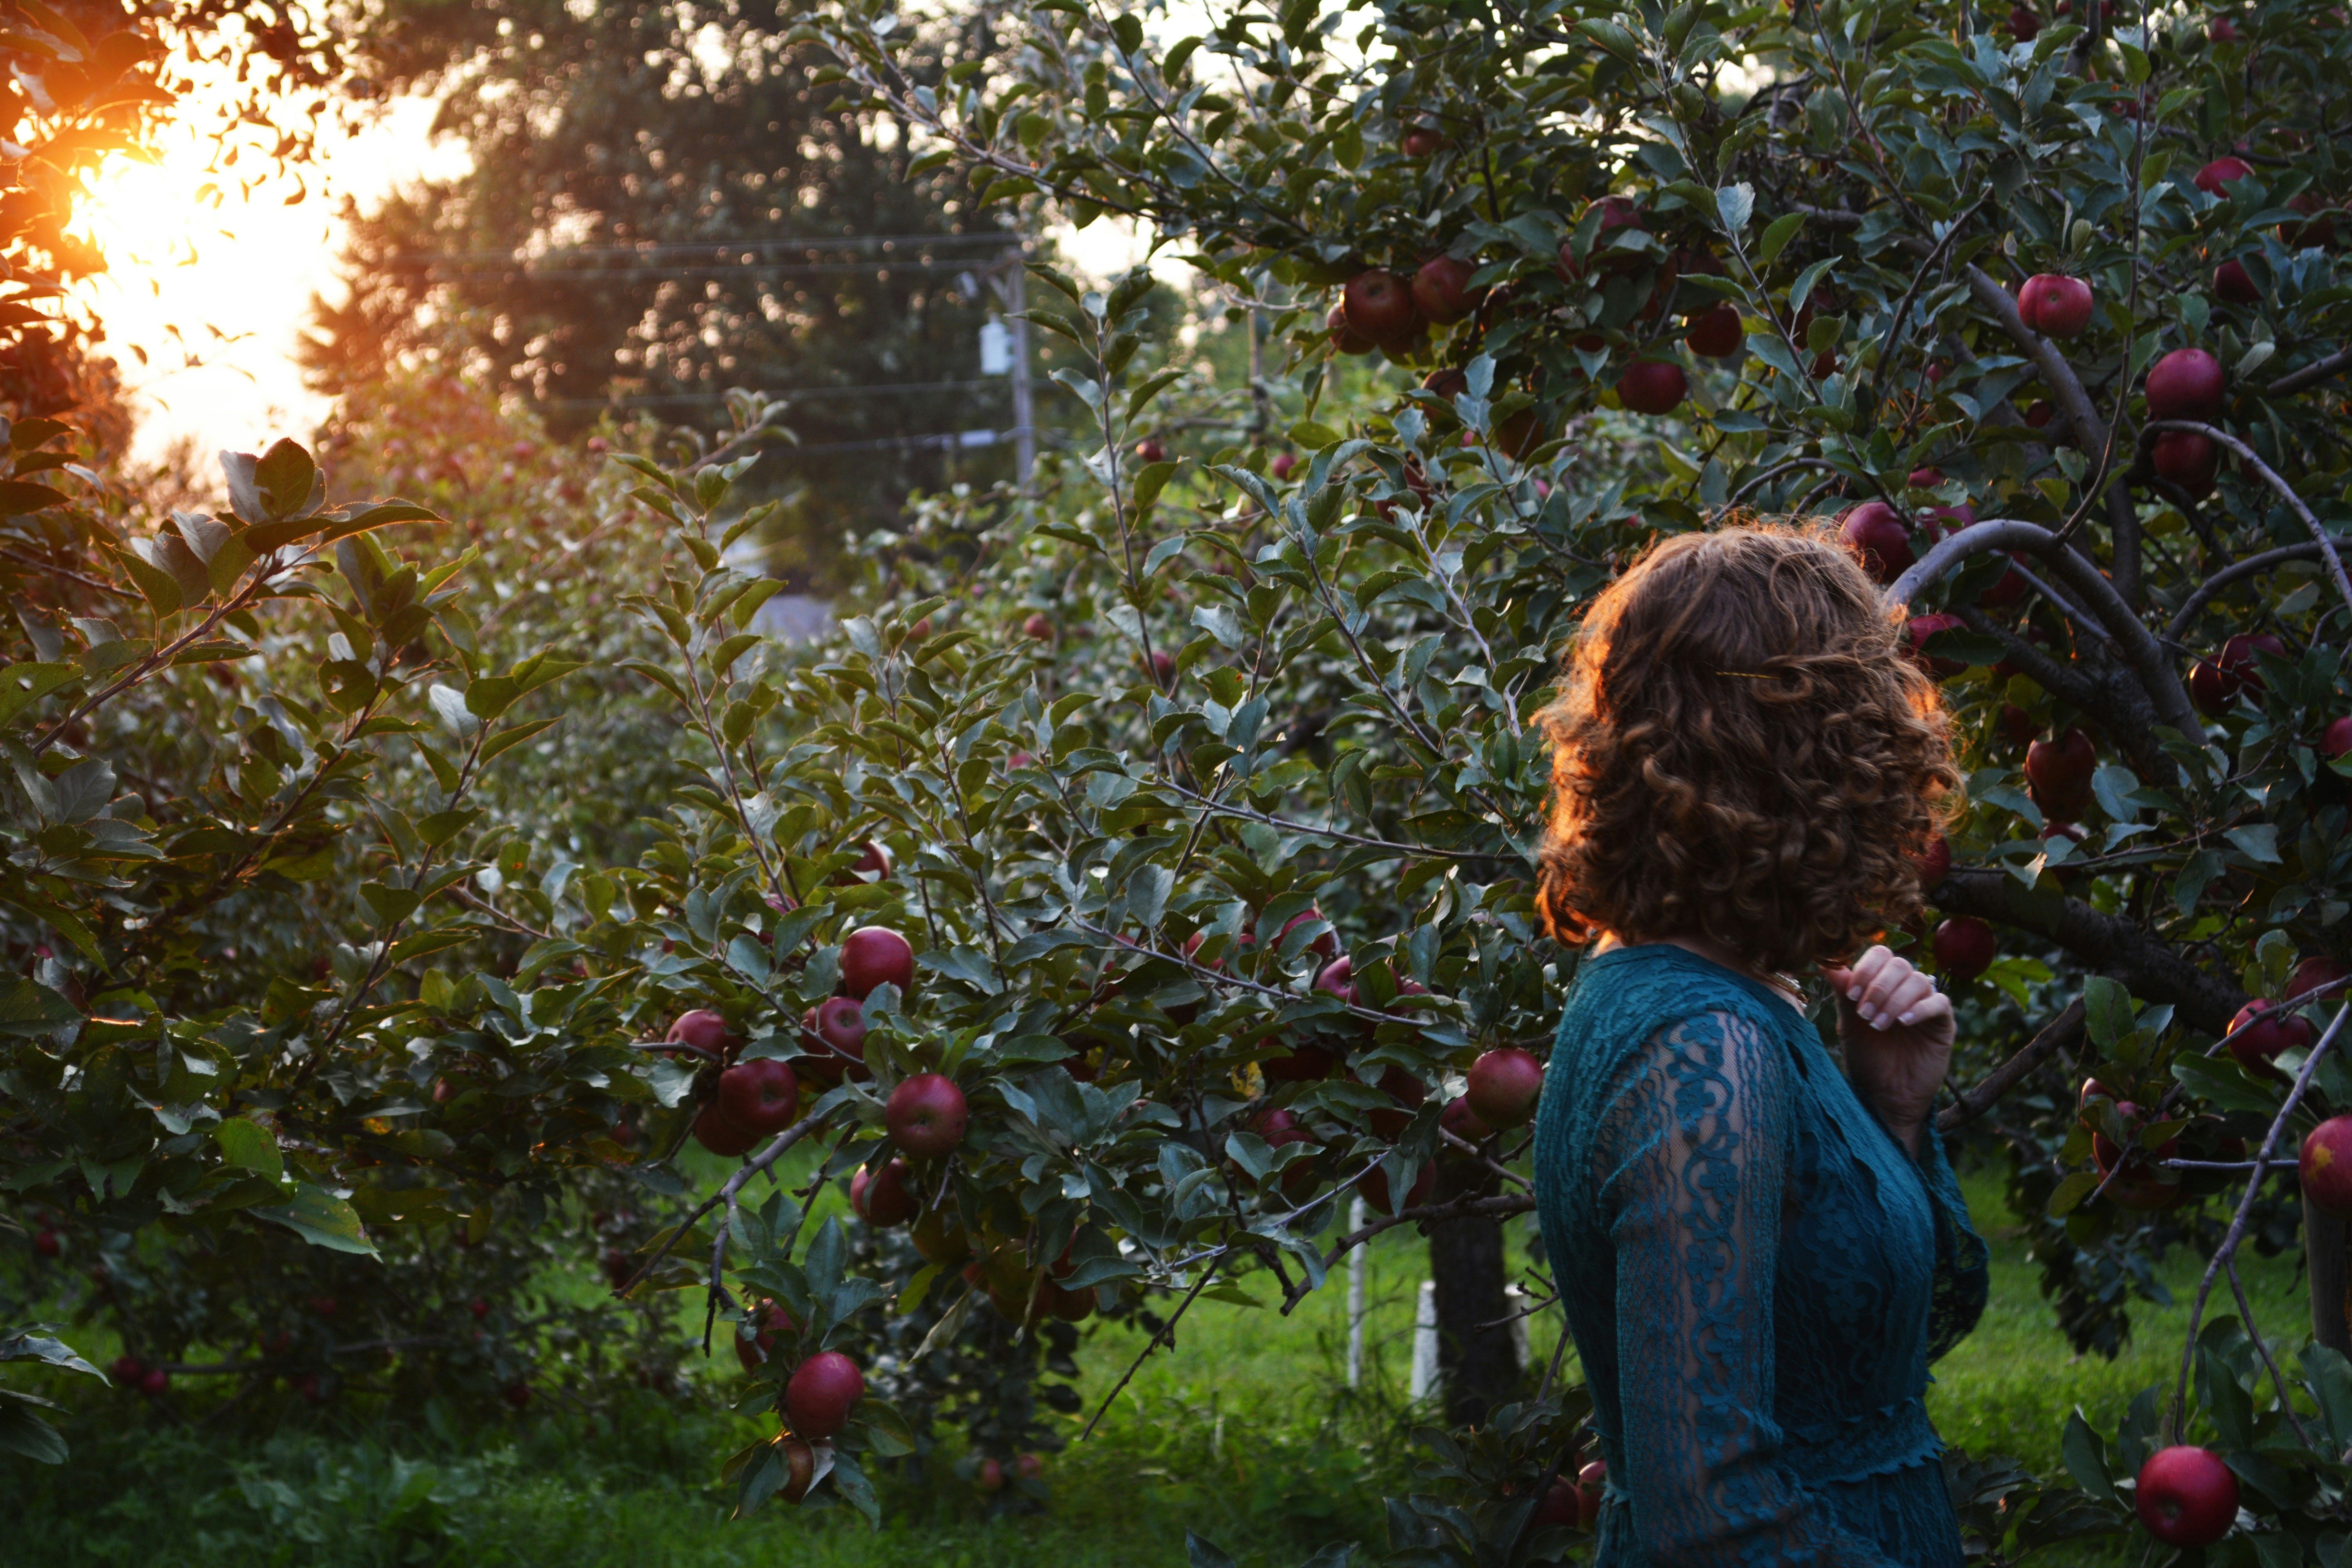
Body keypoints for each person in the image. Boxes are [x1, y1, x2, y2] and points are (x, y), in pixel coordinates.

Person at [1529, 523, 1989, 1565]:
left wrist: (1895, 1117)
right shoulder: (1702, 1046)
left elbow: (1866, 1366)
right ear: (1821, 761)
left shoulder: (1725, 1005)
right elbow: (1713, 1516)